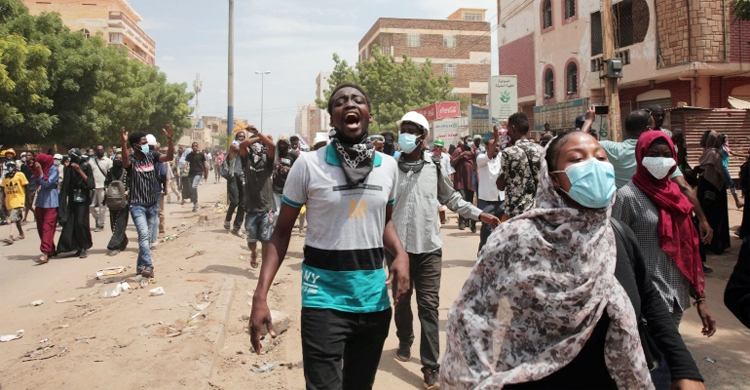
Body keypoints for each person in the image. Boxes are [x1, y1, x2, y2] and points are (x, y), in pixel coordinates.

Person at [441, 131, 705, 390]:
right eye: (577, 159)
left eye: (601, 158)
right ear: (553, 178)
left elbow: (649, 301)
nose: (594, 166)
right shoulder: (515, 239)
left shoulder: (617, 235)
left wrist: (684, 368)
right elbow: (474, 319)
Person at [249, 84, 409, 390]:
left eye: (357, 100)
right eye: (340, 102)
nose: (349, 104)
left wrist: (400, 254)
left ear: (368, 114)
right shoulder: (309, 165)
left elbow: (384, 223)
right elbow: (281, 233)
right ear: (333, 118)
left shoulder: (388, 167)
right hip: (323, 302)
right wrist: (260, 296)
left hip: (373, 303)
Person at [391, 111, 500, 389]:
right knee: (402, 300)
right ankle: (404, 338)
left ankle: (430, 367)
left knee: (428, 306)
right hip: (397, 251)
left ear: (422, 137)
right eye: (404, 129)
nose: (406, 134)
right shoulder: (389, 167)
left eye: (412, 130)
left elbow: (451, 197)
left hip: (429, 248)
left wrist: (479, 215)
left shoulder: (435, 166)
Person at [596, 109, 714, 253]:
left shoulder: (613, 149)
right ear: (648, 130)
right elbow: (684, 187)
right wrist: (702, 218)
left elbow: (580, 143)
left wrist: (589, 121)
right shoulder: (659, 155)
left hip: (620, 212)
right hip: (654, 214)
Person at [121, 125, 175, 278]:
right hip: (137, 205)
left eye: (146, 142)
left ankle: (140, 267)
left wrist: (170, 140)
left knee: (146, 237)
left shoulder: (151, 156)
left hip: (152, 205)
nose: (146, 145)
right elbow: (125, 162)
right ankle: (149, 266)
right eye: (143, 143)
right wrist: (123, 143)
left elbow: (169, 157)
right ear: (135, 146)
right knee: (144, 236)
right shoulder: (131, 160)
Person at [238, 127, 276, 268]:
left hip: (266, 207)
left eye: (260, 145)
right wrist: (260, 137)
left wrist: (259, 134)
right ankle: (254, 253)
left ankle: (265, 263)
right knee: (252, 239)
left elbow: (272, 146)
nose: (257, 148)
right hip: (251, 207)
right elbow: (242, 145)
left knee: (266, 239)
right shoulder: (246, 161)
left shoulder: (268, 163)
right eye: (254, 146)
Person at [497, 112, 543, 220]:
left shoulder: (509, 152)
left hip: (516, 212)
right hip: (538, 210)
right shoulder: (541, 150)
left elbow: (500, 185)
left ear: (513, 129)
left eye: (508, 129)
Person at [697, 130, 733, 257]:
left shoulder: (712, 153)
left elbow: (713, 174)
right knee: (710, 217)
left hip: (711, 189)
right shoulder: (710, 152)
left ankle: (714, 244)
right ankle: (711, 243)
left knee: (713, 217)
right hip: (709, 188)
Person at [57, 148, 94, 258]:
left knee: (81, 223)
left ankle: (84, 247)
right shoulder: (69, 168)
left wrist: (79, 171)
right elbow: (66, 185)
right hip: (73, 198)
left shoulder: (86, 166)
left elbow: (91, 184)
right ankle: (75, 246)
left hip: (83, 198)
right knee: (71, 223)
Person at [477, 126, 505, 251]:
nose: (496, 148)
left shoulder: (502, 157)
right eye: (493, 145)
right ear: (487, 148)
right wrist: (497, 137)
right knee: (487, 229)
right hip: (486, 199)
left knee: (501, 228)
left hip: (501, 198)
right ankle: (482, 252)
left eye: (498, 145)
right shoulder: (481, 158)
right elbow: (488, 156)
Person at [31, 154, 58, 264]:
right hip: (41, 201)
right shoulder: (38, 169)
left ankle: (45, 253)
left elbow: (47, 183)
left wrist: (41, 172)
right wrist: (36, 171)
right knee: (41, 227)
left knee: (48, 226)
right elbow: (37, 182)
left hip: (51, 201)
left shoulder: (53, 169)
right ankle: (50, 248)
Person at [105, 152, 129, 256]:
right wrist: (107, 192)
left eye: (120, 158)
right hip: (112, 200)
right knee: (113, 223)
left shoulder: (126, 171)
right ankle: (123, 241)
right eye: (116, 158)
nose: (118, 160)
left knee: (120, 223)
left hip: (124, 201)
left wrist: (127, 192)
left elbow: (130, 183)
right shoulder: (110, 171)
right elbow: (106, 183)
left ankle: (114, 245)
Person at [451, 136, 477, 231]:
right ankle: (461, 221)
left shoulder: (473, 151)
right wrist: (461, 155)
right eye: (468, 141)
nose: (470, 142)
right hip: (461, 180)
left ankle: (469, 221)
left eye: (471, 140)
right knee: (462, 199)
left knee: (469, 201)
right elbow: (452, 163)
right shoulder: (458, 150)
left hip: (470, 180)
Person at [223, 131, 246, 237]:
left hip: (244, 177)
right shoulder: (234, 145)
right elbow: (240, 150)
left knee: (243, 203)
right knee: (235, 201)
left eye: (243, 137)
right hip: (233, 176)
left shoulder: (246, 147)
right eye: (240, 136)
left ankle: (237, 227)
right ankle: (228, 219)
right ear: (237, 138)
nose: (241, 138)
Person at [2, 161, 28, 244]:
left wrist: (28, 200)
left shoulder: (20, 175)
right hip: (10, 201)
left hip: (18, 200)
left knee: (12, 219)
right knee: (17, 220)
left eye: (11, 166)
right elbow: (3, 190)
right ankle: (21, 233)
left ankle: (11, 236)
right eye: (8, 166)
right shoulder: (5, 178)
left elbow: (26, 187)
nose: (10, 167)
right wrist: (2, 200)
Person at [272, 136, 297, 221]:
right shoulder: (276, 154)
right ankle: (273, 229)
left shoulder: (293, 154)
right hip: (276, 187)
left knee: (285, 214)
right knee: (277, 213)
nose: (282, 146)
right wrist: (275, 166)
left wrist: (288, 169)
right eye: (280, 143)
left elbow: (299, 168)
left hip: (288, 188)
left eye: (284, 143)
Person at [89, 144, 113, 232]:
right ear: (95, 151)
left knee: (102, 207)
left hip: (103, 187)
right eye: (98, 149)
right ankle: (98, 219)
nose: (100, 151)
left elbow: (111, 174)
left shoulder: (108, 161)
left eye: (101, 149)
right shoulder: (91, 161)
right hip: (93, 187)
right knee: (90, 206)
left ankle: (100, 224)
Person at [720, 136, 744, 209]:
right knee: (731, 183)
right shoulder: (720, 148)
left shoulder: (725, 148)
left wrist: (746, 156)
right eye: (726, 139)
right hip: (722, 168)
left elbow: (733, 153)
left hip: (723, 168)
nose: (728, 140)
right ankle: (737, 202)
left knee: (724, 184)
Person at [185, 142, 208, 212]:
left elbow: (204, 165)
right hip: (191, 174)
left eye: (196, 146)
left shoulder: (201, 155)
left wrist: (205, 174)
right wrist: (184, 169)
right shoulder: (189, 155)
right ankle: (195, 203)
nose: (194, 147)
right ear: (192, 147)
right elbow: (186, 163)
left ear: (198, 147)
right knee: (192, 189)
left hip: (199, 173)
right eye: (193, 146)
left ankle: (195, 204)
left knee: (194, 186)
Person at [20, 152, 37, 223]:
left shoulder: (35, 165)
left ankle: (24, 218)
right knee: (25, 203)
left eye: (29, 155)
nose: (27, 157)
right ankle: (36, 213)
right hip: (25, 185)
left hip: (32, 185)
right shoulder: (23, 166)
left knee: (29, 203)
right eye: (26, 155)